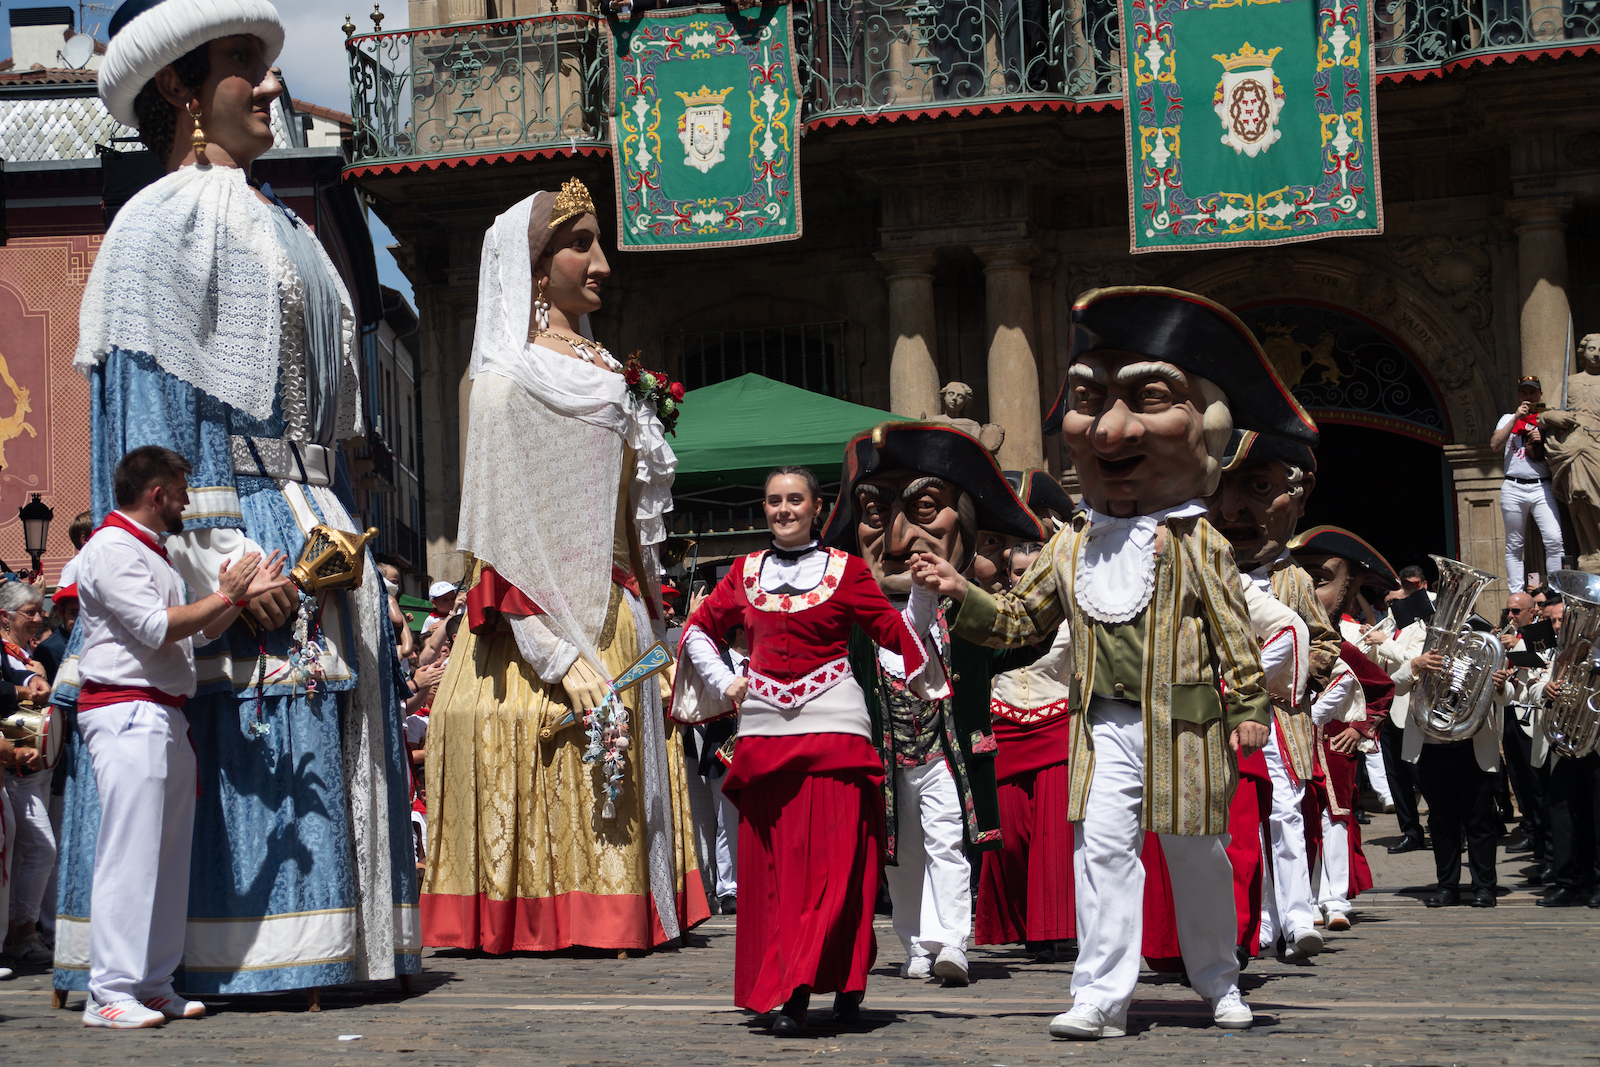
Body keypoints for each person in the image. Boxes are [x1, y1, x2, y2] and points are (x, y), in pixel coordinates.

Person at [57, 0, 420, 999]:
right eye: (242, 67)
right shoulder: (152, 228)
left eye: (270, 66)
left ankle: (336, 941)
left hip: (314, 525)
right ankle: (224, 949)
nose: (269, 85)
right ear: (179, 87)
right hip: (242, 536)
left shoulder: (283, 225)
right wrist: (220, 561)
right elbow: (148, 432)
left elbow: (330, 429)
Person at [914, 285, 1319, 1039]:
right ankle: (1101, 994)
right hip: (1101, 732)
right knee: (1100, 858)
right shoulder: (1070, 542)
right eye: (1089, 402)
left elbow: (1234, 634)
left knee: (1197, 858)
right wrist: (960, 589)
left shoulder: (1198, 542)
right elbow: (1018, 621)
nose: (1110, 429)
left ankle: (1219, 979)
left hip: (1188, 727)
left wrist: (1252, 712)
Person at [419, 179, 706, 955]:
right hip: (536, 624)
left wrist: (665, 630)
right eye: (582, 244)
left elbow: (635, 534)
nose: (603, 262)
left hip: (618, 612)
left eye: (600, 243)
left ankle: (628, 907)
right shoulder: (507, 385)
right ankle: (555, 914)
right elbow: (500, 537)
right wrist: (556, 652)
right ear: (536, 270)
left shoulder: (611, 375)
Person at [672, 466, 943, 1035]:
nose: (784, 509)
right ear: (764, 509)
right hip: (766, 738)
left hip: (837, 736)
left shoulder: (847, 571)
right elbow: (697, 631)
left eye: (795, 500)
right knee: (778, 873)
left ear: (817, 507)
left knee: (838, 867)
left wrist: (921, 592)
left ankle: (839, 978)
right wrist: (726, 683)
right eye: (774, 501)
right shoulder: (743, 573)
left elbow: (896, 635)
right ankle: (788, 987)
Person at [72, 446, 288, 1027]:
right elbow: (153, 629)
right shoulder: (112, 549)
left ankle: (152, 982)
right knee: (130, 855)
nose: (189, 502)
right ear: (157, 494)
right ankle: (108, 992)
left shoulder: (154, 556)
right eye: (182, 491)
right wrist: (223, 596)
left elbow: (190, 638)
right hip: (127, 713)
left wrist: (235, 596)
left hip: (162, 714)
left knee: (165, 858)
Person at [826, 423, 1041, 990]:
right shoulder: (848, 621)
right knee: (902, 853)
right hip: (886, 752)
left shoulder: (972, 614)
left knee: (947, 838)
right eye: (875, 515)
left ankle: (953, 943)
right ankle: (916, 942)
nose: (897, 538)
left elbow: (1029, 634)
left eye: (923, 509)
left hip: (944, 751)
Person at [1206, 430, 1338, 960]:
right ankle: (1255, 921)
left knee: (1285, 813)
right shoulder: (1200, 571)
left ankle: (1299, 916)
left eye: (1258, 488)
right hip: (1217, 718)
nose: (1234, 508)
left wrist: (1299, 667)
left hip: (1281, 721)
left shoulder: (1294, 581)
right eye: (1220, 489)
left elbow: (1324, 643)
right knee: (1236, 824)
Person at [1288, 526, 1401, 930]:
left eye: (1318, 581)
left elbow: (1380, 687)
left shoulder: (1342, 642)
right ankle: (1298, 898)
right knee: (1291, 818)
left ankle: (1334, 899)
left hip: (1333, 741)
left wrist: (1360, 727)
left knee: (1334, 818)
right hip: (1290, 739)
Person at [1, 582, 54, 968]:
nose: (39, 618)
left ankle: (21, 932)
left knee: (26, 849)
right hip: (10, 765)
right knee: (29, 848)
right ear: (5, 617)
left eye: (40, 611)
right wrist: (24, 687)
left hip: (27, 766)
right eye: (30, 612)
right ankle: (18, 934)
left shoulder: (25, 654)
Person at [1491, 375, 1564, 592]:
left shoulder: (1548, 419)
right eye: (1524, 392)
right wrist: (1516, 418)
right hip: (1513, 487)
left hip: (1542, 486)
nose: (1528, 396)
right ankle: (1516, 593)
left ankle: (1555, 592)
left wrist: (1543, 440)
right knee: (1514, 545)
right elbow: (1495, 444)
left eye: (1532, 392)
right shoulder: (1507, 418)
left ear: (1539, 395)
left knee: (1554, 540)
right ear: (1518, 395)